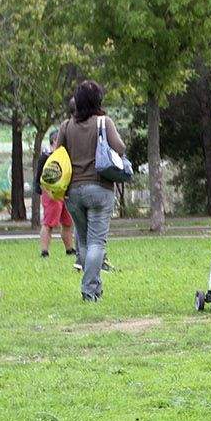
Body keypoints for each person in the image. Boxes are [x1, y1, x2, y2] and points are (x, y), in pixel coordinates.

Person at [56, 80, 128, 303]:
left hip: (73, 192)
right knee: (97, 242)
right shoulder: (103, 122)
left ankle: (94, 288)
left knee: (85, 242)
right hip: (100, 189)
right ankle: (89, 290)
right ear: (98, 100)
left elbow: (56, 153)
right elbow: (120, 148)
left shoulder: (66, 126)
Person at [37, 126, 76, 261]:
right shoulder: (47, 157)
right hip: (51, 193)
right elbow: (39, 178)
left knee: (67, 222)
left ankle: (70, 249)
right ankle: (44, 251)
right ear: (55, 140)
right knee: (49, 223)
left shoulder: (66, 156)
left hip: (65, 193)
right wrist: (45, 192)